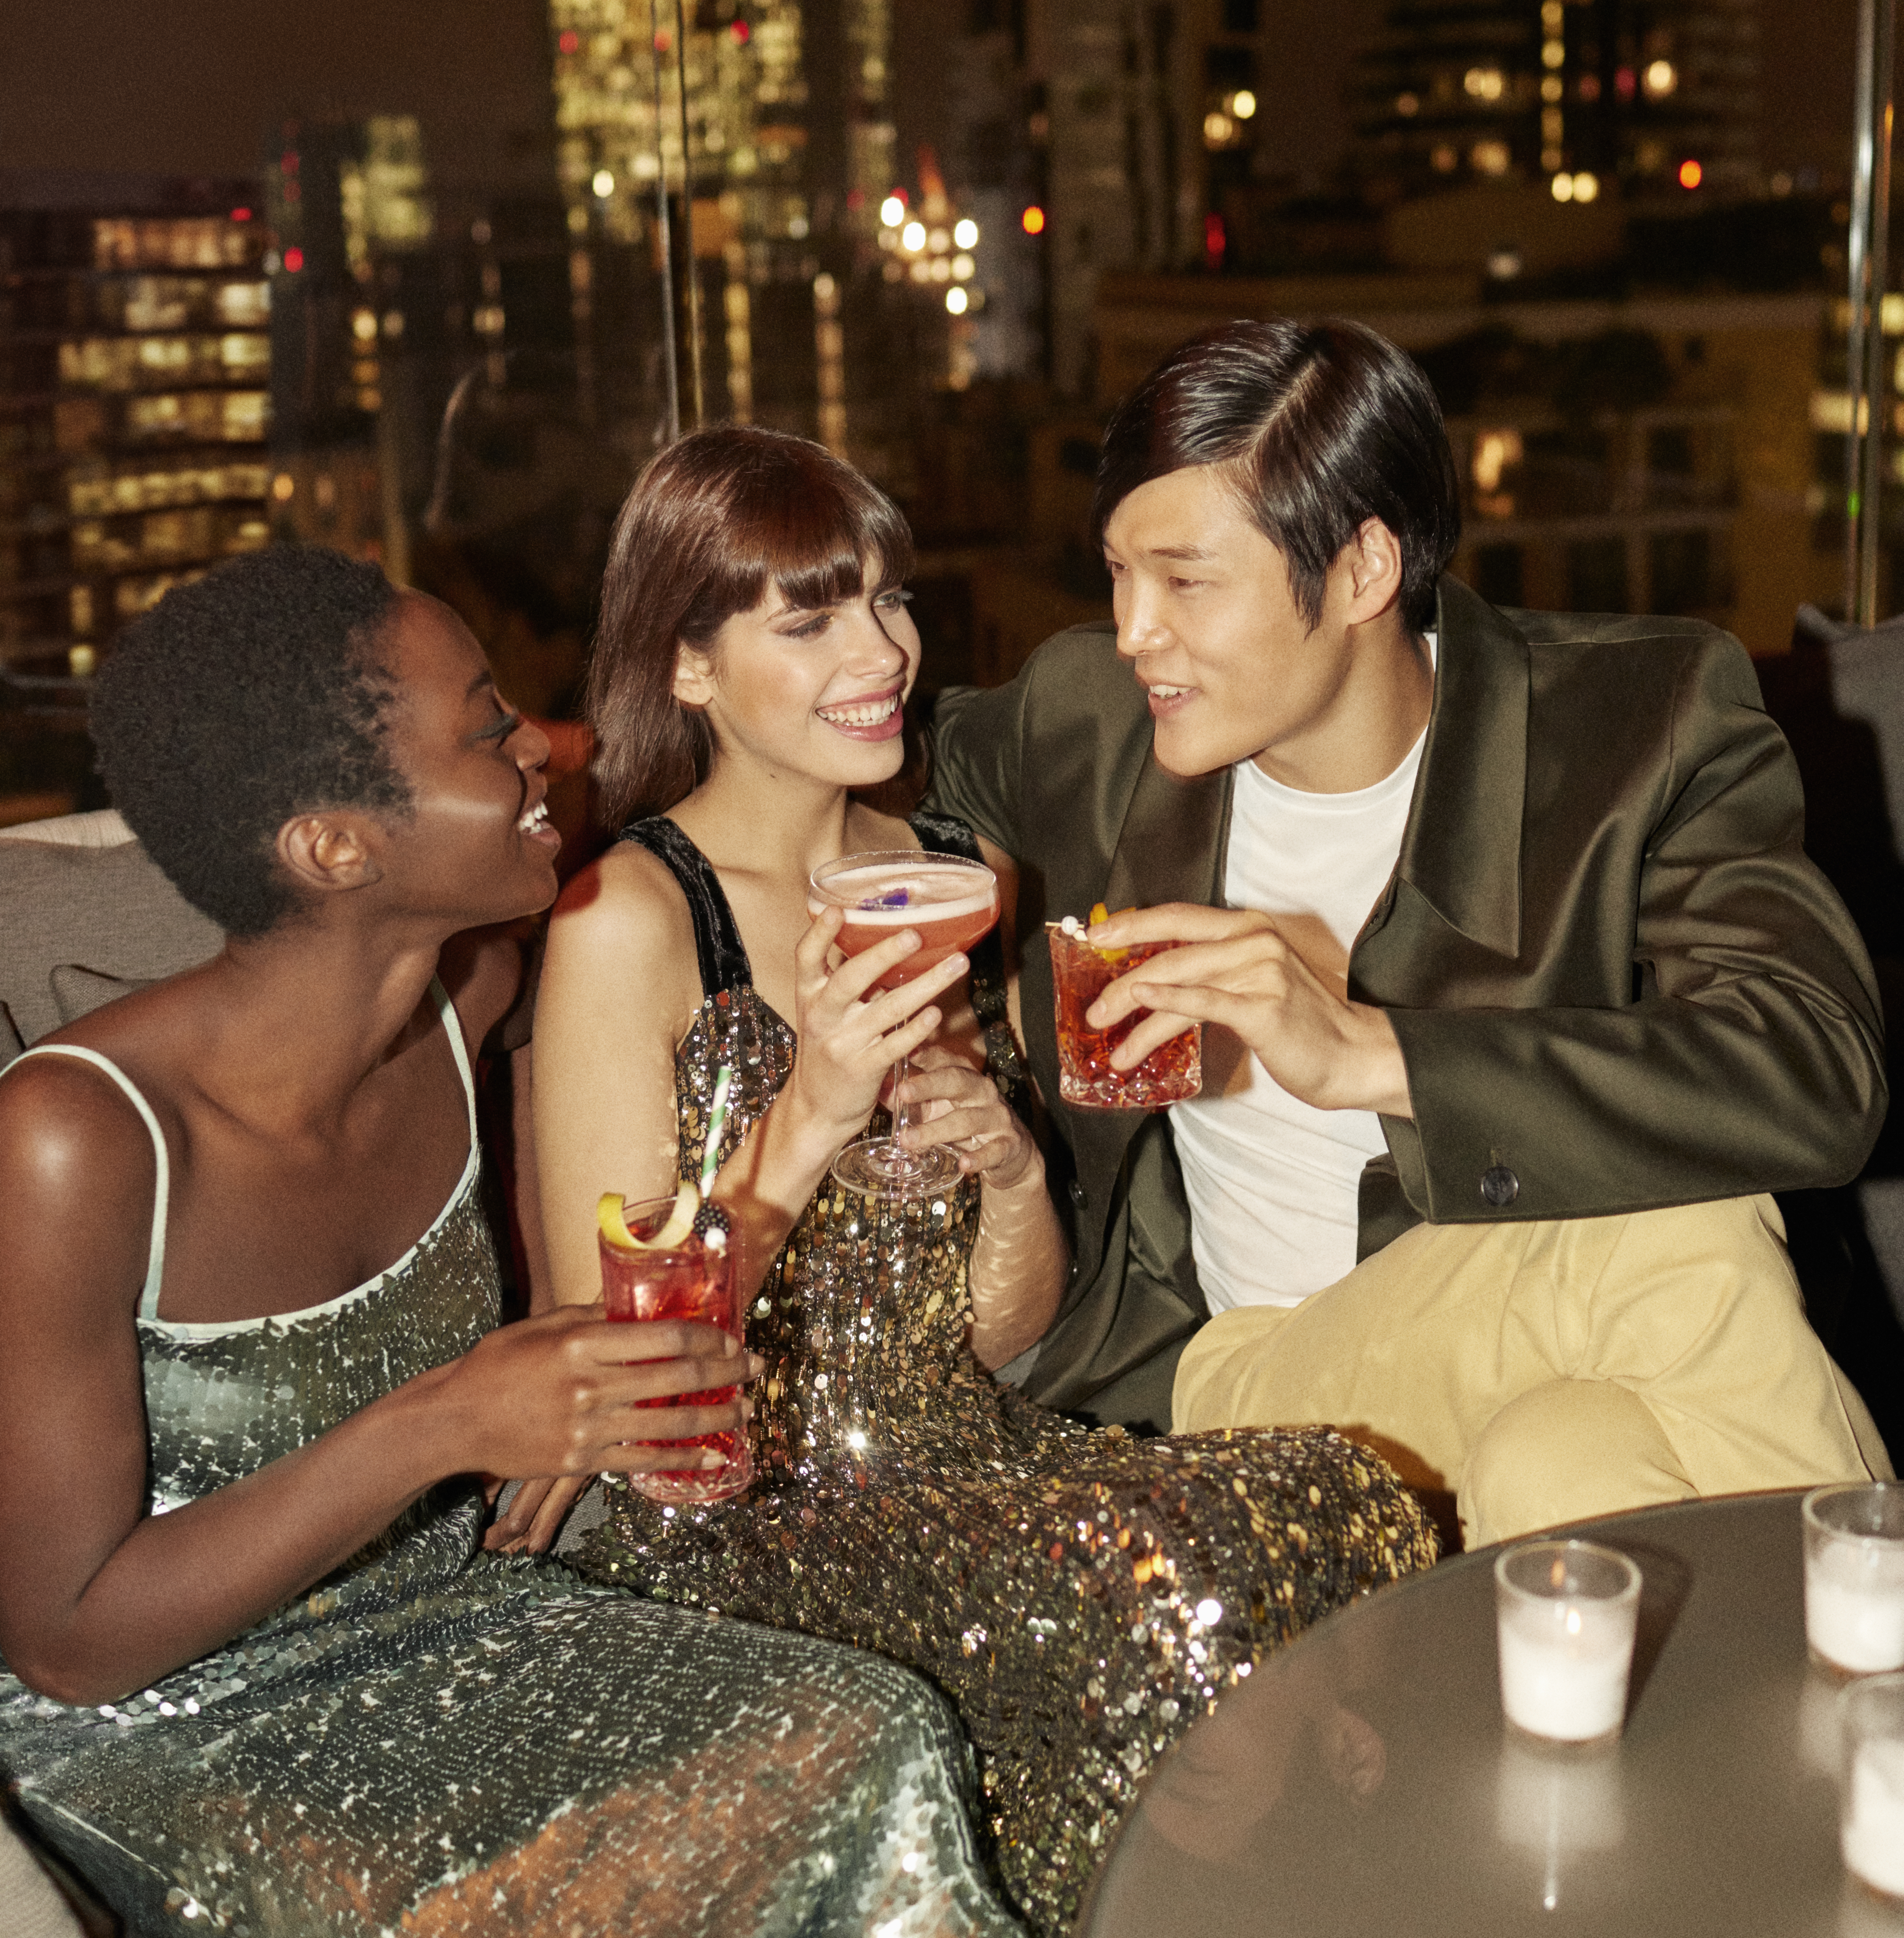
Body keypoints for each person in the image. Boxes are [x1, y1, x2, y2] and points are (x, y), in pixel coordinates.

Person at [0, 545, 1015, 1938]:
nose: (545, 745)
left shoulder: (464, 991)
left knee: (872, 1723)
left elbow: (646, 1250)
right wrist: (447, 1421)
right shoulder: (75, 1137)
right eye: (489, 729)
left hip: (441, 1626)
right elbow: (67, 1637)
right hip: (166, 1726)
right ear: (334, 846)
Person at [530, 425, 1435, 1938]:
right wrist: (810, 1110)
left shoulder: (948, 865)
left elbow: (1002, 1335)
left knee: (1336, 1497)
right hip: (742, 1508)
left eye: (888, 598)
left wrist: (1009, 1164)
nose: (880, 649)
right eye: (807, 618)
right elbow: (612, 1383)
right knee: (1184, 1602)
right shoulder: (627, 916)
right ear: (686, 666)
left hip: (965, 1443)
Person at [922, 317, 1890, 1548]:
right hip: (1243, 1381)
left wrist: (1373, 1053)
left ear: (1366, 569)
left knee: (1565, 1470)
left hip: (1532, 1364)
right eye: (1117, 572)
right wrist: (968, 935)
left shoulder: (1634, 727)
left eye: (1185, 579)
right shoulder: (1092, 720)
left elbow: (1818, 1067)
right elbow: (915, 772)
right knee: (1681, 1226)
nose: (1133, 631)